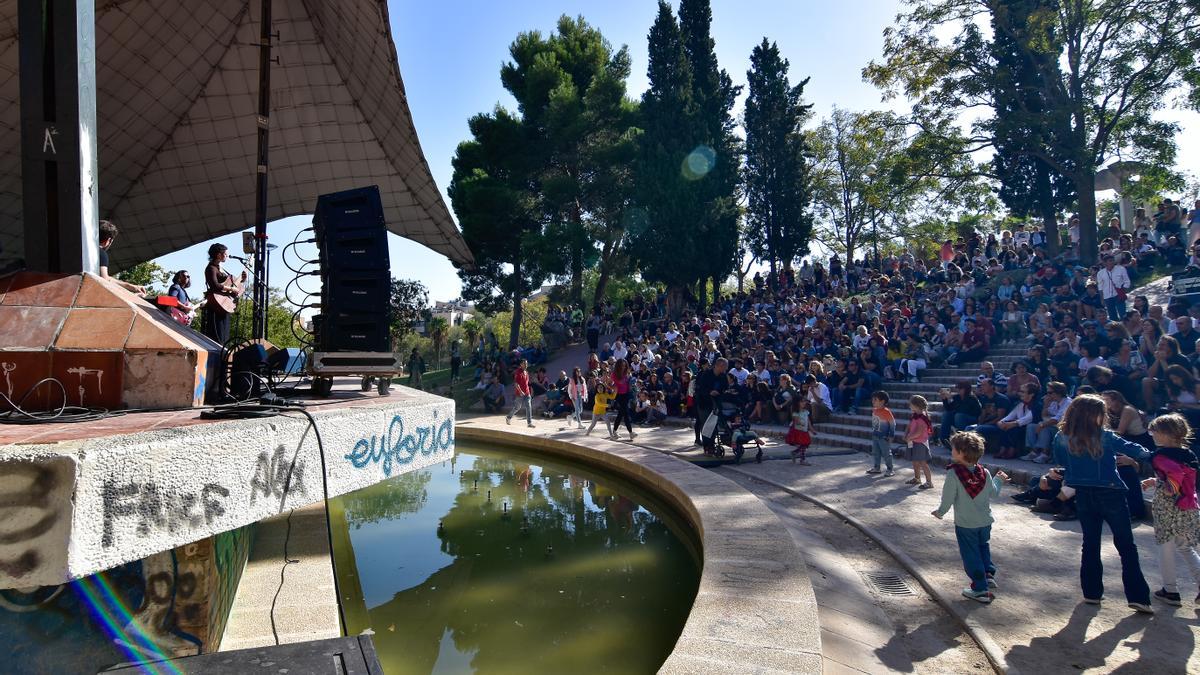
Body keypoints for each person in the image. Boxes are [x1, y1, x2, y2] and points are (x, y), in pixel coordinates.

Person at [1051, 395, 1154, 613]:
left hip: (1084, 494)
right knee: (1126, 545)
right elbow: (1139, 450)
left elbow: (1060, 461)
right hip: (1111, 492)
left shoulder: (1062, 437)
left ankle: (1091, 593)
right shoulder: (1106, 436)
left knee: (1090, 543)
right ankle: (1138, 597)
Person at [931, 431, 1009, 604]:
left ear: (960, 453)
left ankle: (979, 588)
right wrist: (999, 480)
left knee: (970, 554)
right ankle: (988, 574)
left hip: (966, 524)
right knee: (983, 547)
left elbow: (948, 497)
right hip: (985, 521)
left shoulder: (954, 474)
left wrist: (940, 512)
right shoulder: (984, 472)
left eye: (953, 448)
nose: (951, 450)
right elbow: (994, 493)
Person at [1139, 414, 1200, 606]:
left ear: (1165, 434)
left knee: (1165, 547)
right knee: (1185, 547)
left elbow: (1175, 474)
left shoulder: (1160, 455)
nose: (1152, 435)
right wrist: (1158, 481)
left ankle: (1170, 590)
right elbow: (1185, 476)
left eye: (1154, 431)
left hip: (1168, 507)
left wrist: (1167, 488)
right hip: (1188, 506)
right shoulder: (1189, 454)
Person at [201, 243, 245, 345]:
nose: (227, 256)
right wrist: (231, 288)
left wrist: (242, 280)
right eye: (225, 254)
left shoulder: (219, 268)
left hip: (223, 306)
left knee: (224, 336)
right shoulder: (211, 268)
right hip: (215, 306)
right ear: (218, 255)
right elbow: (214, 285)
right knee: (217, 336)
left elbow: (231, 286)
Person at [96, 220, 146, 295]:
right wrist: (131, 295)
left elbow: (106, 277)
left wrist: (130, 286)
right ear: (108, 240)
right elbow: (104, 281)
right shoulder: (101, 254)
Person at [904, 395, 934, 489]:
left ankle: (929, 482)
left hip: (920, 443)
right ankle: (917, 478)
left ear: (917, 406)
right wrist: (906, 434)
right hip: (913, 441)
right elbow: (909, 426)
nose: (909, 406)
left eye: (911, 404)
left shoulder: (922, 418)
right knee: (915, 462)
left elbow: (919, 432)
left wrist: (910, 437)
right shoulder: (914, 415)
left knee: (923, 463)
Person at [868, 391, 896, 477]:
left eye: (875, 400)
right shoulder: (874, 410)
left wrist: (891, 435)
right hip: (875, 435)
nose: (873, 402)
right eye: (872, 400)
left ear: (882, 401)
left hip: (884, 437)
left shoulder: (887, 412)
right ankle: (877, 468)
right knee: (876, 452)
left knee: (886, 453)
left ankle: (890, 469)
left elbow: (892, 424)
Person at [1095, 254, 1131, 322]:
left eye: (1112, 260)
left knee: (1123, 314)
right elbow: (1100, 287)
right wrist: (1102, 299)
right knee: (1112, 316)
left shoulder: (1121, 269)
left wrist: (1124, 290)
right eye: (1110, 261)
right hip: (1107, 296)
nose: (1112, 262)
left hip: (1118, 294)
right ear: (1105, 263)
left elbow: (1127, 281)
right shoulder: (1100, 273)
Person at [610, 358, 637, 442]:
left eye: (625, 365)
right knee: (625, 414)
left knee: (621, 414)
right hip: (619, 395)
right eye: (622, 365)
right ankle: (631, 432)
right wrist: (614, 388)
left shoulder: (626, 373)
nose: (623, 366)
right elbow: (609, 384)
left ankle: (614, 431)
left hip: (626, 394)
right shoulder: (614, 374)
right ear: (618, 365)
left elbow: (628, 382)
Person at [505, 359, 535, 428]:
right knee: (517, 408)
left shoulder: (526, 372)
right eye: (524, 363)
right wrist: (520, 391)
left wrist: (530, 391)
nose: (526, 365)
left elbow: (527, 383)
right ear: (521, 364)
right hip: (520, 394)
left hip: (527, 393)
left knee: (528, 407)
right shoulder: (518, 372)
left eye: (526, 363)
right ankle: (508, 417)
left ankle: (529, 423)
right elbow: (516, 383)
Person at [787, 397, 813, 466]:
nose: (804, 403)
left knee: (805, 444)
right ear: (797, 403)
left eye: (804, 401)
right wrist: (800, 422)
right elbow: (796, 420)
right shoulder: (795, 412)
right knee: (803, 444)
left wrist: (811, 429)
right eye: (802, 402)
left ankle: (795, 452)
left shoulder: (806, 411)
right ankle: (802, 459)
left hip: (804, 431)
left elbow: (808, 421)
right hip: (798, 431)